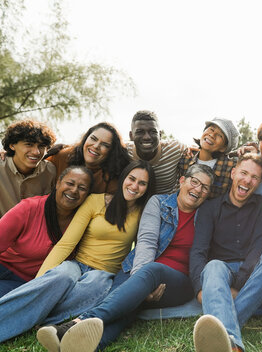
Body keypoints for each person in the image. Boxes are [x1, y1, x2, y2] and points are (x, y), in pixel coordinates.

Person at [36, 164, 214, 352]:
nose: (198, 189)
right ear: (182, 181)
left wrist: (145, 281)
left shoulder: (207, 214)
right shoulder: (159, 203)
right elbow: (146, 241)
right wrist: (142, 284)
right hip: (139, 270)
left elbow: (200, 255)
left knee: (151, 273)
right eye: (194, 182)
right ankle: (87, 346)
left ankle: (76, 323)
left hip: (176, 281)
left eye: (205, 187)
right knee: (126, 305)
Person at [0, 160, 155, 343]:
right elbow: (65, 244)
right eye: (132, 179)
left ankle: (44, 322)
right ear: (123, 178)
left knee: (94, 284)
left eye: (142, 183)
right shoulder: (95, 201)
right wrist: (39, 282)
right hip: (76, 264)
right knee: (62, 275)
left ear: (147, 188)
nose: (134, 186)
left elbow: (144, 247)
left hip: (103, 273)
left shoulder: (144, 212)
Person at [189, 153, 262, 352]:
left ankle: (224, 330)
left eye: (254, 177)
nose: (247, 180)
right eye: (243, 173)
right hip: (221, 274)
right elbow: (198, 250)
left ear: (258, 182)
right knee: (213, 265)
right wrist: (201, 289)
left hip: (256, 277)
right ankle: (232, 345)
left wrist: (239, 289)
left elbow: (259, 247)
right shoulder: (209, 208)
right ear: (233, 173)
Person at [0, 166, 93, 297]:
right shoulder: (29, 208)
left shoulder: (84, 223)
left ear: (88, 195)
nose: (74, 190)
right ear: (58, 183)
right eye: (70, 183)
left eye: (82, 188)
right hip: (4, 267)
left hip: (27, 283)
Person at [46, 122, 131, 194]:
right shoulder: (64, 156)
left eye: (105, 145)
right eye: (93, 139)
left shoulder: (112, 177)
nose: (96, 146)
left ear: (112, 151)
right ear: (86, 138)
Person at [0, 119, 57, 216]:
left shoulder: (50, 171)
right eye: (29, 144)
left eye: (41, 146)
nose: (36, 152)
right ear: (12, 145)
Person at [127, 110, 189, 194]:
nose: (147, 137)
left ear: (160, 135)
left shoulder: (175, 149)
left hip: (168, 203)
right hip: (136, 201)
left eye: (153, 132)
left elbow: (196, 152)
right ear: (131, 136)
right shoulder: (124, 151)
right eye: (140, 132)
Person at [177, 117, 239, 199]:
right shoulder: (186, 157)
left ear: (224, 147)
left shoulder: (230, 167)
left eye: (220, 135)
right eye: (211, 129)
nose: (212, 135)